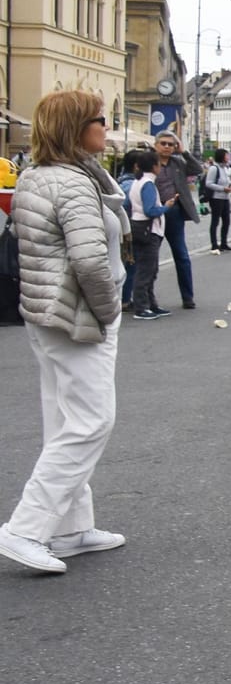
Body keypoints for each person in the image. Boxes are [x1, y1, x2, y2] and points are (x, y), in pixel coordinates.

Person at [0, 91, 130, 573]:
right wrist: (107, 309)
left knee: (64, 418)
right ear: (77, 128)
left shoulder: (36, 176)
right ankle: (26, 528)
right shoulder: (74, 184)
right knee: (91, 421)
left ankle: (71, 526)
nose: (106, 125)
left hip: (45, 310)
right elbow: (91, 261)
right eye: (100, 120)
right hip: (78, 314)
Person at [149, 131, 201, 311]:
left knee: (182, 256)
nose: (167, 147)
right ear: (156, 145)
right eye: (163, 143)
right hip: (154, 213)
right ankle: (147, 298)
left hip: (175, 213)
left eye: (171, 144)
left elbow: (197, 169)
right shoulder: (148, 162)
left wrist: (184, 152)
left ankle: (188, 297)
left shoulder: (178, 162)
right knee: (151, 257)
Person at [121, 150, 169, 320]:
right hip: (149, 230)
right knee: (147, 270)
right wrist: (166, 206)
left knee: (148, 268)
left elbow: (127, 205)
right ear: (155, 166)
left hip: (138, 227)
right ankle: (142, 307)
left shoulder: (137, 182)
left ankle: (151, 304)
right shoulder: (148, 184)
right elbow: (150, 210)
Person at [204, 149, 231, 253]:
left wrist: (230, 185)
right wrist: (223, 189)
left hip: (225, 198)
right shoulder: (214, 168)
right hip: (216, 198)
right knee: (215, 221)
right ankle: (214, 244)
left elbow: (226, 180)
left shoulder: (225, 168)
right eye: (227, 155)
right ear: (222, 156)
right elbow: (208, 183)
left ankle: (224, 243)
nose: (229, 157)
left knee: (226, 221)